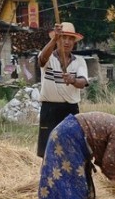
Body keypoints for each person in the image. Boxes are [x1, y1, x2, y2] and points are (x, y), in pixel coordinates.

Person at [36, 22, 89, 158]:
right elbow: (41, 60)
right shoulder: (49, 57)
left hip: (70, 110)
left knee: (70, 148)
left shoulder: (79, 61)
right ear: (57, 40)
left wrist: (73, 80)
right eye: (63, 37)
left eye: (70, 39)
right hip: (49, 109)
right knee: (48, 150)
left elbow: (82, 82)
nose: (67, 42)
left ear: (74, 42)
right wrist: (54, 39)